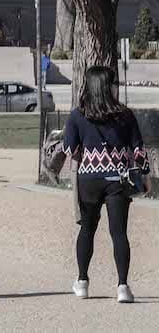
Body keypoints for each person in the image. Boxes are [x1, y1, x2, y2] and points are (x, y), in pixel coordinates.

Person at [64, 65, 150, 303]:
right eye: (114, 83)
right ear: (107, 86)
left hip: (88, 180)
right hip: (118, 179)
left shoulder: (77, 115)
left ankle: (82, 281)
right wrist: (145, 176)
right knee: (119, 233)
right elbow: (138, 149)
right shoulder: (125, 115)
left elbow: (70, 149)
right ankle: (122, 286)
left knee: (87, 230)